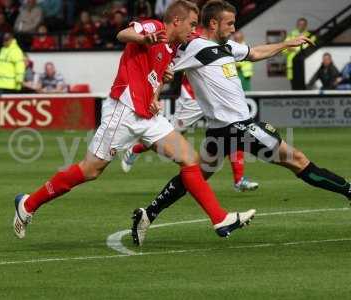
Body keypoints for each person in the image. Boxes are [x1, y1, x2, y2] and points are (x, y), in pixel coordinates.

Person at [13, 0, 255, 241]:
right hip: (124, 111)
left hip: (148, 115)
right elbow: (122, 34)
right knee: (90, 170)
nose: (193, 31)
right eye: (191, 25)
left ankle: (219, 219)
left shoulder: (170, 50)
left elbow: (153, 79)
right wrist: (142, 39)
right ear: (176, 21)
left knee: (189, 159)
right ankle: (28, 204)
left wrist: (155, 95)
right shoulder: (153, 28)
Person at [131, 0, 351, 246]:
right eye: (230, 23)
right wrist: (154, 96)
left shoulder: (226, 47)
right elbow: (162, 70)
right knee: (298, 161)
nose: (234, 28)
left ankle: (147, 214)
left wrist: (287, 44)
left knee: (194, 175)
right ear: (213, 23)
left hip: (220, 131)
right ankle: (349, 191)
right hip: (239, 127)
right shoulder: (194, 47)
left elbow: (255, 53)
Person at [121, 73, 259, 192]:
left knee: (232, 130)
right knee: (168, 136)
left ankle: (239, 180)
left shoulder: (222, 45)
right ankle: (136, 149)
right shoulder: (192, 43)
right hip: (193, 99)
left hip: (216, 98)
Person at [284, 18, 316, 90]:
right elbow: (283, 49)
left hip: (305, 66)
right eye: (299, 24)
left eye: (302, 24)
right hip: (292, 67)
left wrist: (294, 48)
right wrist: (290, 49)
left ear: (306, 25)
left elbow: (312, 48)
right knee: (294, 88)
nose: (300, 26)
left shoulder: (310, 36)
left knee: (304, 88)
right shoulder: (291, 35)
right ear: (296, 25)